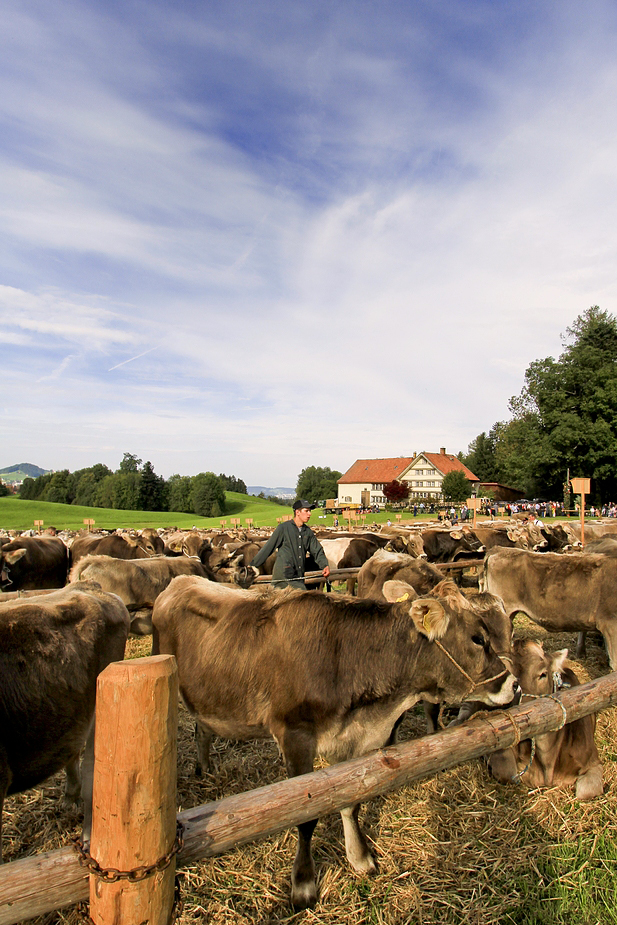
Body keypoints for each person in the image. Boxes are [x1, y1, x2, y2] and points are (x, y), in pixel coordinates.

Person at [250, 499, 331, 590]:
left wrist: (325, 565)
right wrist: (253, 565)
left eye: (310, 511)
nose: (309, 514)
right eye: (306, 511)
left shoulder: (307, 532)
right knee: (303, 597)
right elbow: (268, 548)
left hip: (298, 576)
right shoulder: (283, 528)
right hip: (283, 577)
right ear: (297, 512)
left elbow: (317, 550)